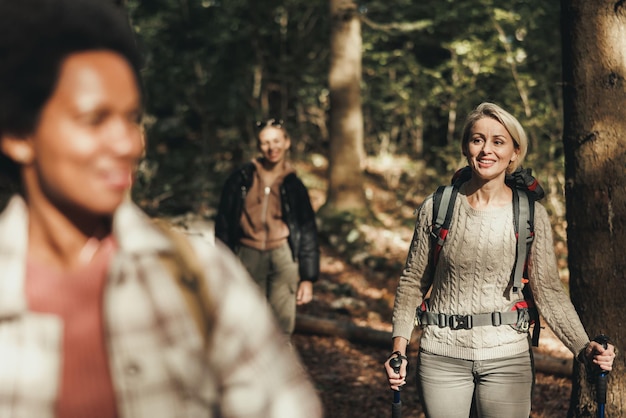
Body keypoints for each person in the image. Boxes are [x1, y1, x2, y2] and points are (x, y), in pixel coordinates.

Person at [0, 0, 322, 417]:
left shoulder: (199, 276)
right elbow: (227, 215)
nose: (130, 144)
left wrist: (307, 272)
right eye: (94, 119)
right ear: (18, 135)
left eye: (132, 118)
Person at [383, 102, 616, 418]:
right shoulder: (437, 207)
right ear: (467, 147)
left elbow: (548, 292)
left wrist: (583, 347)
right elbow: (412, 282)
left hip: (508, 357)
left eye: (498, 141)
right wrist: (399, 350)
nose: (485, 150)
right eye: (477, 139)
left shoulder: (531, 215)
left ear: (514, 153)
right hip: (442, 354)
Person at [215, 120, 320, 336]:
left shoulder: (294, 185)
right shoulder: (241, 179)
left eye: (276, 141)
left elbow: (308, 230)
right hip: (247, 255)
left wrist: (308, 278)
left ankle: (279, 369)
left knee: (281, 329)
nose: (272, 148)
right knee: (245, 324)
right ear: (259, 146)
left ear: (287, 142)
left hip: (283, 256)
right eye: (265, 143)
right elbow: (224, 223)